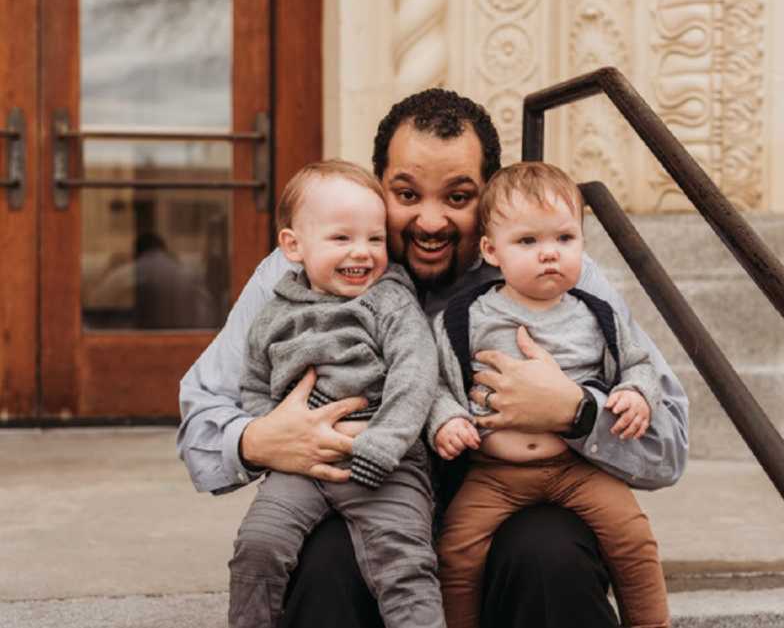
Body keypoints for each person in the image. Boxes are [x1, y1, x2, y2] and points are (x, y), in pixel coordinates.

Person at [178, 87, 689, 628]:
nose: (429, 221)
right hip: (363, 494)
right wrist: (258, 440)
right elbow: (200, 422)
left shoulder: (556, 274)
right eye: (406, 194)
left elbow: (669, 444)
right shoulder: (298, 276)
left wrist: (577, 411)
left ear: (487, 194)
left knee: (550, 551)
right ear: (380, 186)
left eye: (458, 197)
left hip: (513, 500)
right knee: (327, 559)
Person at [427, 162, 669, 628]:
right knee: (456, 553)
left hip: (576, 469)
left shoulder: (597, 315)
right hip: (495, 474)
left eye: (564, 238)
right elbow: (434, 382)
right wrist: (447, 419)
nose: (549, 254)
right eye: (528, 242)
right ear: (491, 251)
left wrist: (637, 394)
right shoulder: (466, 318)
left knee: (634, 542)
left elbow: (639, 364)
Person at [227, 160, 444, 628]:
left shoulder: (389, 301)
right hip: (300, 467)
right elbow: (253, 384)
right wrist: (276, 440)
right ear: (293, 245)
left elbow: (416, 374)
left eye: (375, 238)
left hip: (384, 464)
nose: (362, 252)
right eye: (342, 238)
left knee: (405, 566)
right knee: (258, 546)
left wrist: (383, 445)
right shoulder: (273, 313)